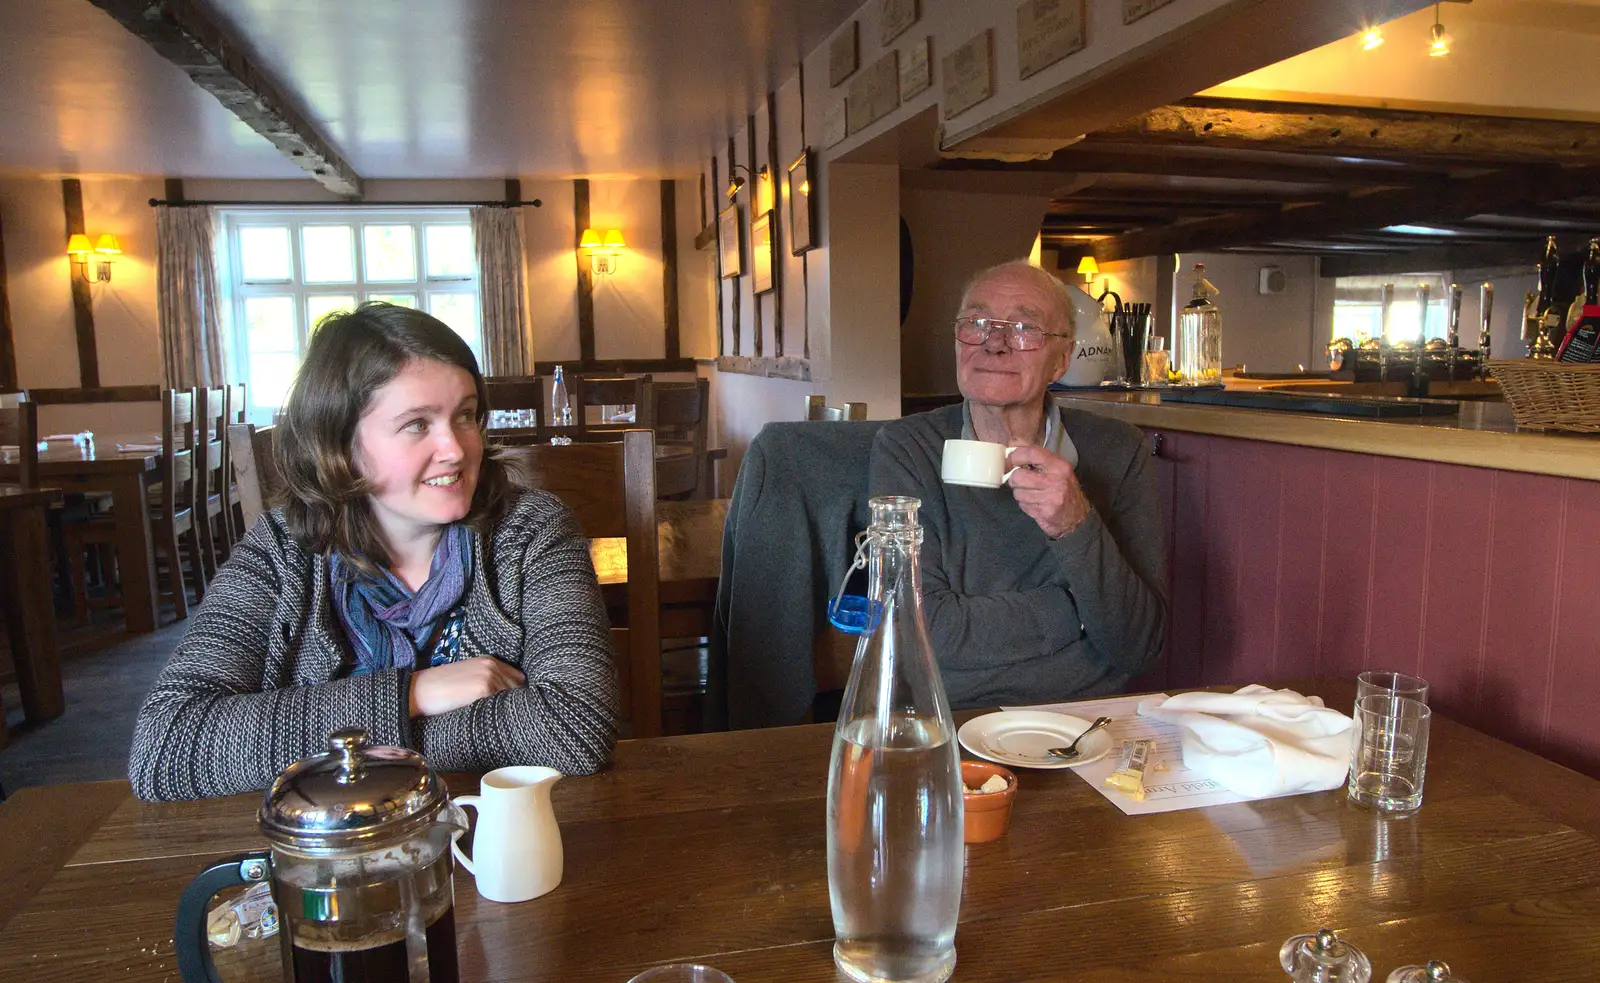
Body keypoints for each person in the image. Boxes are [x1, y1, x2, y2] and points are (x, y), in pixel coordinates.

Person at [129, 303, 618, 801]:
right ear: (340, 444)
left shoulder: (531, 531)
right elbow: (167, 745)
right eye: (416, 424)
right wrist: (414, 692)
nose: (456, 448)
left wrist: (306, 744)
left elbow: (575, 726)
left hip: (493, 852)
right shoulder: (282, 551)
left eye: (465, 415)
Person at [869, 260, 1167, 707]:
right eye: (977, 323)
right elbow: (922, 627)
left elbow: (1138, 644)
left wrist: (1076, 525)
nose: (994, 343)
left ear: (1061, 359)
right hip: (950, 720)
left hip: (1084, 719)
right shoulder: (908, 448)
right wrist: (1073, 612)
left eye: (1024, 328)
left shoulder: (1118, 451)